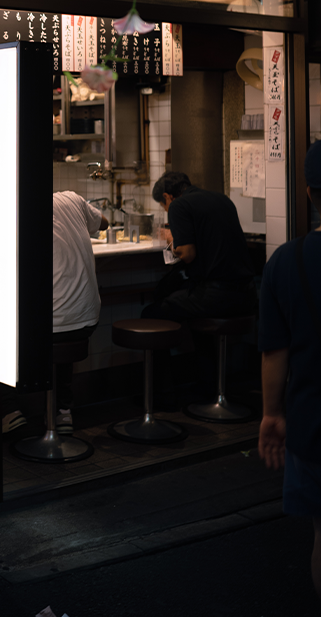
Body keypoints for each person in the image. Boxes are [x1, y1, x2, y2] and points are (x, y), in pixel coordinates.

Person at [259, 140, 321, 602]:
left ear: (307, 192)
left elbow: (274, 353)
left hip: (313, 418)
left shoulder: (287, 260)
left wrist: (271, 415)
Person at [3, 191, 108, 437]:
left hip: (51, 327)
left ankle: (8, 410)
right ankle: (62, 411)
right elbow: (103, 223)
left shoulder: (11, 205)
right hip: (87, 321)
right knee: (60, 327)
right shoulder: (72, 198)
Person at [143, 171, 257, 322]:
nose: (166, 210)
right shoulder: (223, 199)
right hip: (248, 294)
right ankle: (202, 346)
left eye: (163, 206)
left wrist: (169, 236)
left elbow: (187, 254)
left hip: (217, 296)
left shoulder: (178, 205)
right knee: (178, 293)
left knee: (151, 313)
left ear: (166, 196)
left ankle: (194, 346)